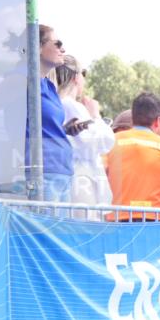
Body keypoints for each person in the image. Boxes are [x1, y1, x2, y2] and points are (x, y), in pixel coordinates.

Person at [106, 92, 160, 220]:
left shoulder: (111, 142)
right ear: (158, 121)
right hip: (154, 222)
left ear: (133, 116)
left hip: (117, 220)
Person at [55, 55, 113, 211]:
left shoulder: (56, 104)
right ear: (76, 77)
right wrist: (96, 115)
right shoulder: (73, 106)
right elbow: (103, 142)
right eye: (84, 74)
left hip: (68, 175)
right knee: (85, 228)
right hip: (82, 178)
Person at [30, 25, 74, 202]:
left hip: (61, 171)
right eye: (58, 43)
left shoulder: (49, 86)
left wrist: (64, 130)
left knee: (60, 230)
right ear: (38, 46)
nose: (63, 49)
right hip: (41, 172)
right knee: (42, 229)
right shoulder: (19, 80)